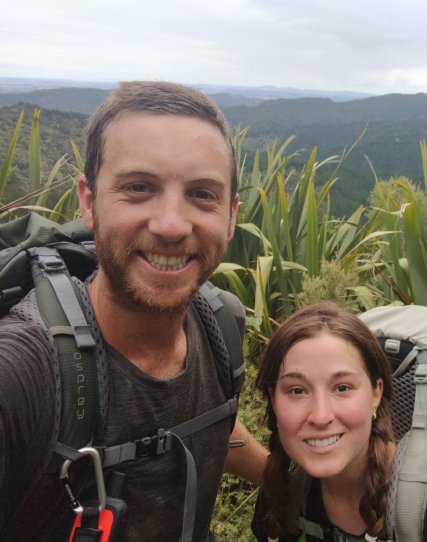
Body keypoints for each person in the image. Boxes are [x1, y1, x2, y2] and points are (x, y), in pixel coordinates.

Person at [0, 81, 268, 541]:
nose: (171, 225)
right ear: (89, 202)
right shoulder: (25, 373)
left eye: (202, 194)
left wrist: (294, 482)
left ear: (230, 215)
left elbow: (213, 424)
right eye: (139, 187)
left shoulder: (221, 326)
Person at [252, 302, 427, 542]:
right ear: (273, 400)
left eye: (342, 388)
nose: (321, 416)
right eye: (297, 390)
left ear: (376, 394)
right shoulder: (281, 493)